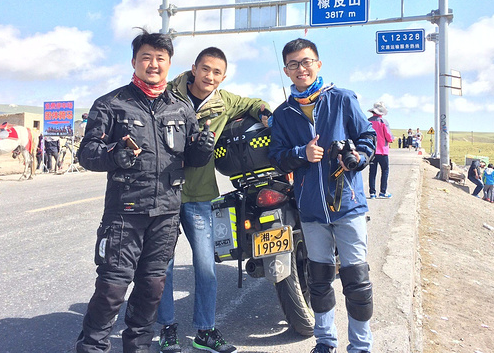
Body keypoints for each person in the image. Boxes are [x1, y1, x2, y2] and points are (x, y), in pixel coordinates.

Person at [75, 31, 215, 353]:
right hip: (125, 213)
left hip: (166, 214)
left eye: (160, 58)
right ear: (134, 62)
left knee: (152, 288)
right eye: (146, 58)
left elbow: (192, 158)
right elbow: (87, 153)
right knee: (112, 288)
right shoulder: (111, 104)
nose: (153, 64)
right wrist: (114, 155)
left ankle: (137, 348)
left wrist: (203, 149)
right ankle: (92, 347)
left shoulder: (181, 108)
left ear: (169, 63)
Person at [157, 47, 271, 353]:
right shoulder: (168, 95)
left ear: (223, 76)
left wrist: (266, 114)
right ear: (194, 68)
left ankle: (205, 331)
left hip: (199, 195)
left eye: (217, 72)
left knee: (206, 266)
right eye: (205, 69)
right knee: (163, 266)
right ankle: (167, 329)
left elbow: (253, 103)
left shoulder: (224, 101)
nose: (210, 76)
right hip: (164, 192)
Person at [268, 38, 377, 353]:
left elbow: (367, 136)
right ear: (286, 70)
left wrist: (358, 157)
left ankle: (360, 346)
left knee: (356, 281)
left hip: (348, 206)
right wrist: (301, 153)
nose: (300, 69)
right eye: (293, 64)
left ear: (318, 64)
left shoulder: (342, 99)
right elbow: (277, 157)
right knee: (319, 281)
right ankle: (325, 342)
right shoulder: (283, 113)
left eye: (306, 62)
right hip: (312, 210)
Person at [367, 101, 394, 199]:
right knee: (385, 170)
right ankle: (383, 191)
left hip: (371, 151)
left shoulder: (368, 121)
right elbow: (389, 137)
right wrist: (392, 139)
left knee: (372, 172)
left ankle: (372, 193)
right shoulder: (383, 122)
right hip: (382, 151)